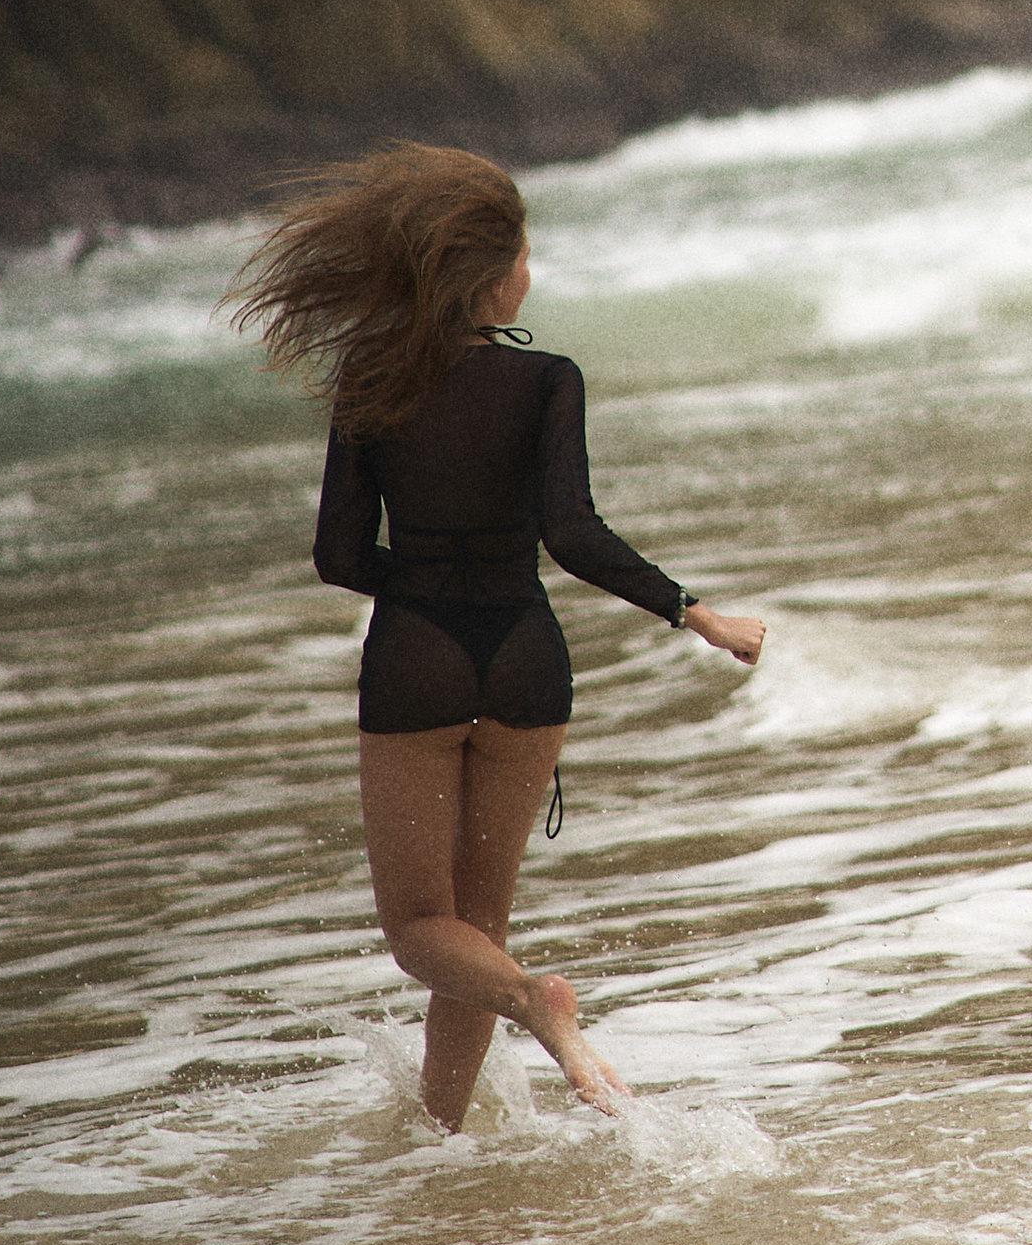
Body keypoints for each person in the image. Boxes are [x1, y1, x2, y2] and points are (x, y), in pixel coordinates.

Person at [231, 142, 764, 1128]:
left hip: (417, 661)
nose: (530, 270)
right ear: (489, 273)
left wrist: (427, 587)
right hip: (525, 657)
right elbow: (573, 534)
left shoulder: (370, 379)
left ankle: (530, 1005)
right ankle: (441, 1131)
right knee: (476, 924)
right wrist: (699, 615)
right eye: (524, 253)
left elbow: (338, 556)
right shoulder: (549, 380)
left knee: (422, 931)